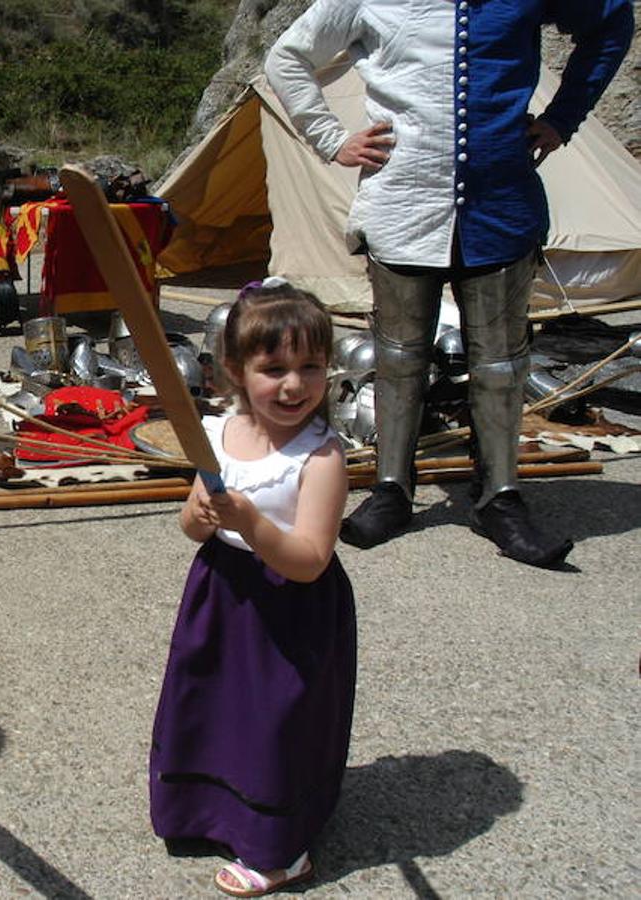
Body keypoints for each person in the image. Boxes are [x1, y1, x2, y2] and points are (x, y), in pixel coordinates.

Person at [264, 0, 633, 568]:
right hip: (402, 202)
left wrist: (564, 117)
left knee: (502, 363)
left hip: (502, 204)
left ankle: (499, 498)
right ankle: (392, 489)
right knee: (398, 357)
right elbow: (288, 56)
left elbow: (610, 20)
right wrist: (329, 137)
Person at [150, 283, 356, 897]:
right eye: (274, 369)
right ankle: (206, 811)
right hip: (221, 593)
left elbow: (312, 559)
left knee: (274, 722)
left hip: (290, 606)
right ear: (235, 372)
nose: (295, 385)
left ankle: (280, 852)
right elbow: (190, 524)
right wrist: (204, 518)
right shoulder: (216, 434)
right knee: (212, 704)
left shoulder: (321, 458)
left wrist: (252, 523)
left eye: (311, 367)